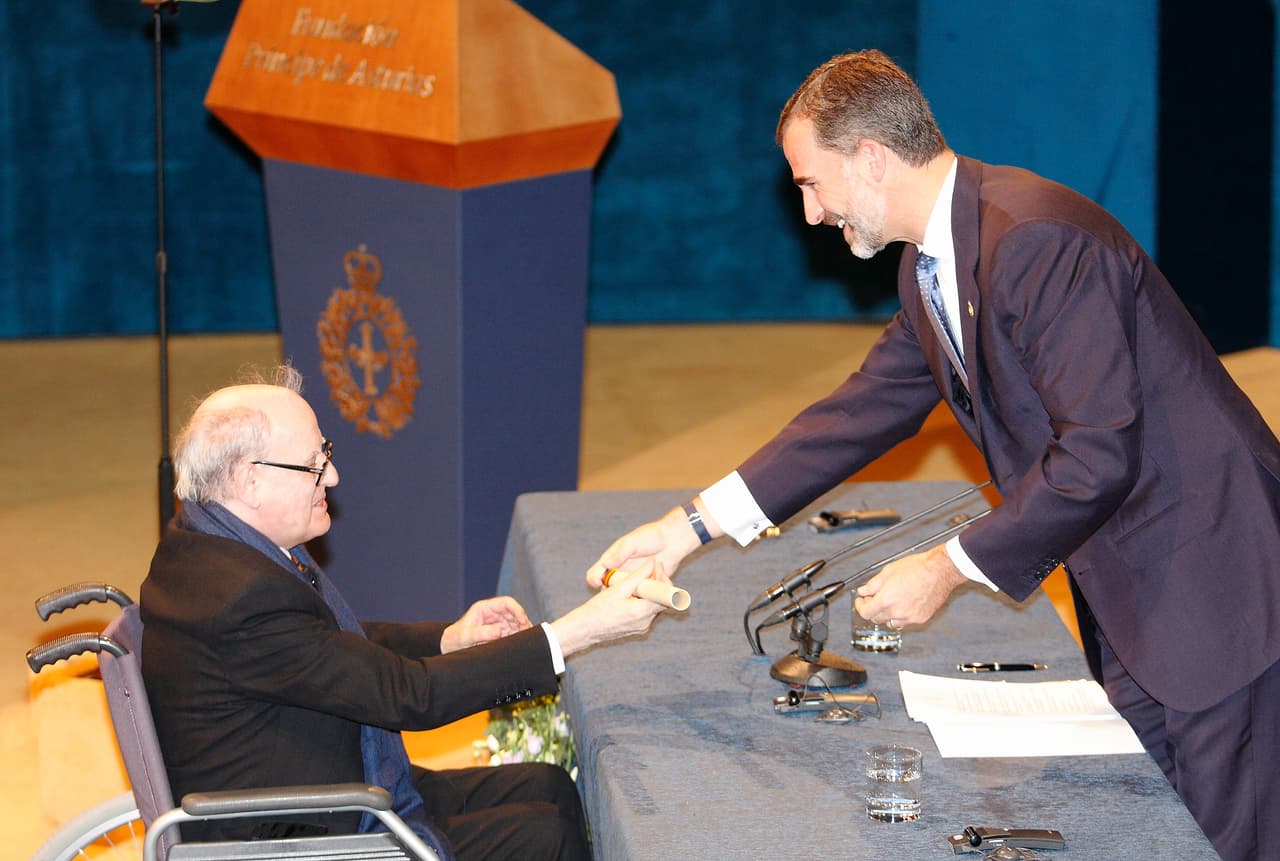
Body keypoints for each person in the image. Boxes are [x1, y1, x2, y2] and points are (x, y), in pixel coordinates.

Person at [585, 49, 1280, 861]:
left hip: (1215, 584)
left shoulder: (1033, 241)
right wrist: (687, 527)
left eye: (810, 183)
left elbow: (1096, 456)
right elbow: (857, 414)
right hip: (1138, 590)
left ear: (871, 159)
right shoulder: (934, 263)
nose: (808, 214)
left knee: (1229, 839)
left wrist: (945, 566)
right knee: (1159, 831)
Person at [141, 365, 669, 861]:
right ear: (249, 480)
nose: (334, 476)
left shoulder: (210, 541)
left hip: (317, 771)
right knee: (546, 835)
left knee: (548, 784)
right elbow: (408, 697)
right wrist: (582, 630)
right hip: (296, 830)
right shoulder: (240, 598)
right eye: (314, 463)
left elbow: (326, 647)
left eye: (325, 451)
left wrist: (449, 640)